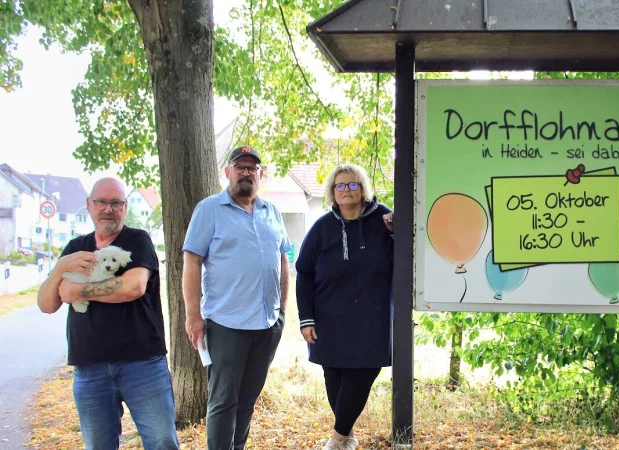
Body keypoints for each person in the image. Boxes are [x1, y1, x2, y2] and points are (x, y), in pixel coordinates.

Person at [37, 177, 180, 450]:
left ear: (125, 207)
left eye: (116, 203)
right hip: (90, 368)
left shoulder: (137, 240)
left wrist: (77, 291)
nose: (108, 209)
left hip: (143, 365)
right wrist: (59, 270)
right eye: (101, 202)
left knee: (162, 442)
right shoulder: (74, 249)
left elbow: (133, 287)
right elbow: (47, 304)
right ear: (89, 205)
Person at [182, 146, 290, 450]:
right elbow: (191, 262)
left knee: (247, 400)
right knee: (223, 402)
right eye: (239, 166)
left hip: (267, 325)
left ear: (261, 174)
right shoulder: (209, 209)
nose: (246, 172)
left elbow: (282, 260)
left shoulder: (272, 212)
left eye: (252, 168)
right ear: (227, 172)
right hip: (226, 324)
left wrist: (281, 312)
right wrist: (193, 316)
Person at [295, 163, 394, 450]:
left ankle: (337, 440)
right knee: (334, 380)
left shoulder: (384, 220)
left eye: (353, 184)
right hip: (329, 318)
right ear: (332, 193)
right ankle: (347, 435)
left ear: (363, 189)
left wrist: (397, 233)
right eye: (340, 185)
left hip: (372, 319)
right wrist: (306, 318)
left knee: (362, 373)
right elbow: (304, 273)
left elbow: (405, 253)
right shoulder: (322, 228)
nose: (347, 190)